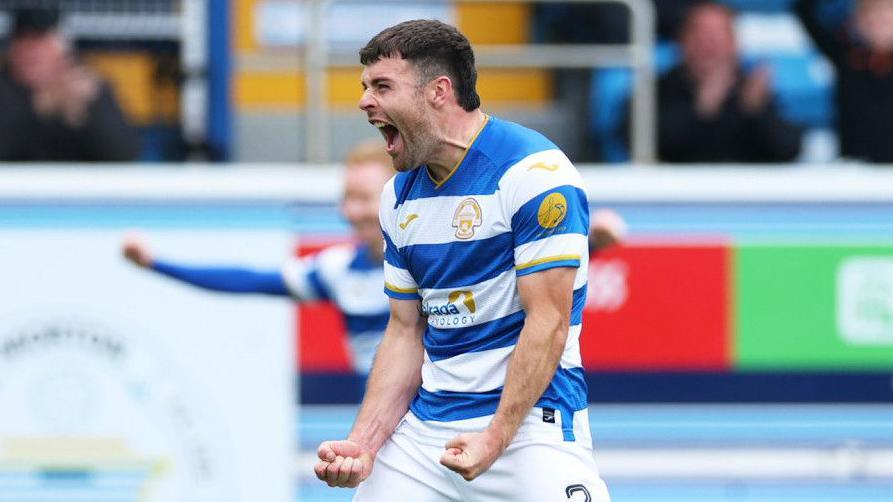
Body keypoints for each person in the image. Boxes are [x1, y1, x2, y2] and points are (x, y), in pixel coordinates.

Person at [313, 20, 611, 501]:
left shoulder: (534, 173)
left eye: (382, 86)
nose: (365, 101)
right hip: (425, 437)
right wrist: (364, 445)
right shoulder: (397, 197)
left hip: (529, 430)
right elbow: (406, 330)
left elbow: (549, 321)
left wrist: (494, 439)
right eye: (365, 87)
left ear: (439, 91)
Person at [121, 142, 394, 375]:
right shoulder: (338, 269)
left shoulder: (430, 266)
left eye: (363, 198)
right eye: (347, 198)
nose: (351, 211)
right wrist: (155, 263)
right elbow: (248, 280)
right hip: (377, 430)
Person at [654, 2, 802, 163]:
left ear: (734, 44)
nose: (708, 46)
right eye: (700, 36)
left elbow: (788, 149)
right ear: (681, 42)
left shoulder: (752, 89)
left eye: (717, 37)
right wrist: (701, 110)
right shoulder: (658, 90)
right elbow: (651, 146)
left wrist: (756, 112)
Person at [0, 7, 140, 161]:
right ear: (12, 49)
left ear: (62, 48)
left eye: (41, 40)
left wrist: (87, 117)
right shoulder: (5, 90)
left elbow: (125, 154)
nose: (32, 51)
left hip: (79, 184)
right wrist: (40, 106)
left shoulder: (85, 87)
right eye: (24, 41)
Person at [795, 0, 893, 162]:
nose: (878, 25)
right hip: (853, 172)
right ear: (858, 22)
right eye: (871, 18)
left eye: (886, 19)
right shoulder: (847, 58)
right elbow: (805, 11)